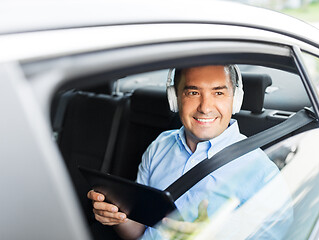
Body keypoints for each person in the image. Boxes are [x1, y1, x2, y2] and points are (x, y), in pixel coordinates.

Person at [87, 65, 292, 239]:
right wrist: (117, 216)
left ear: (235, 99)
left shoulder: (262, 173)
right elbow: (139, 231)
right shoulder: (159, 146)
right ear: (175, 98)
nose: (205, 107)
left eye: (218, 93)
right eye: (193, 93)